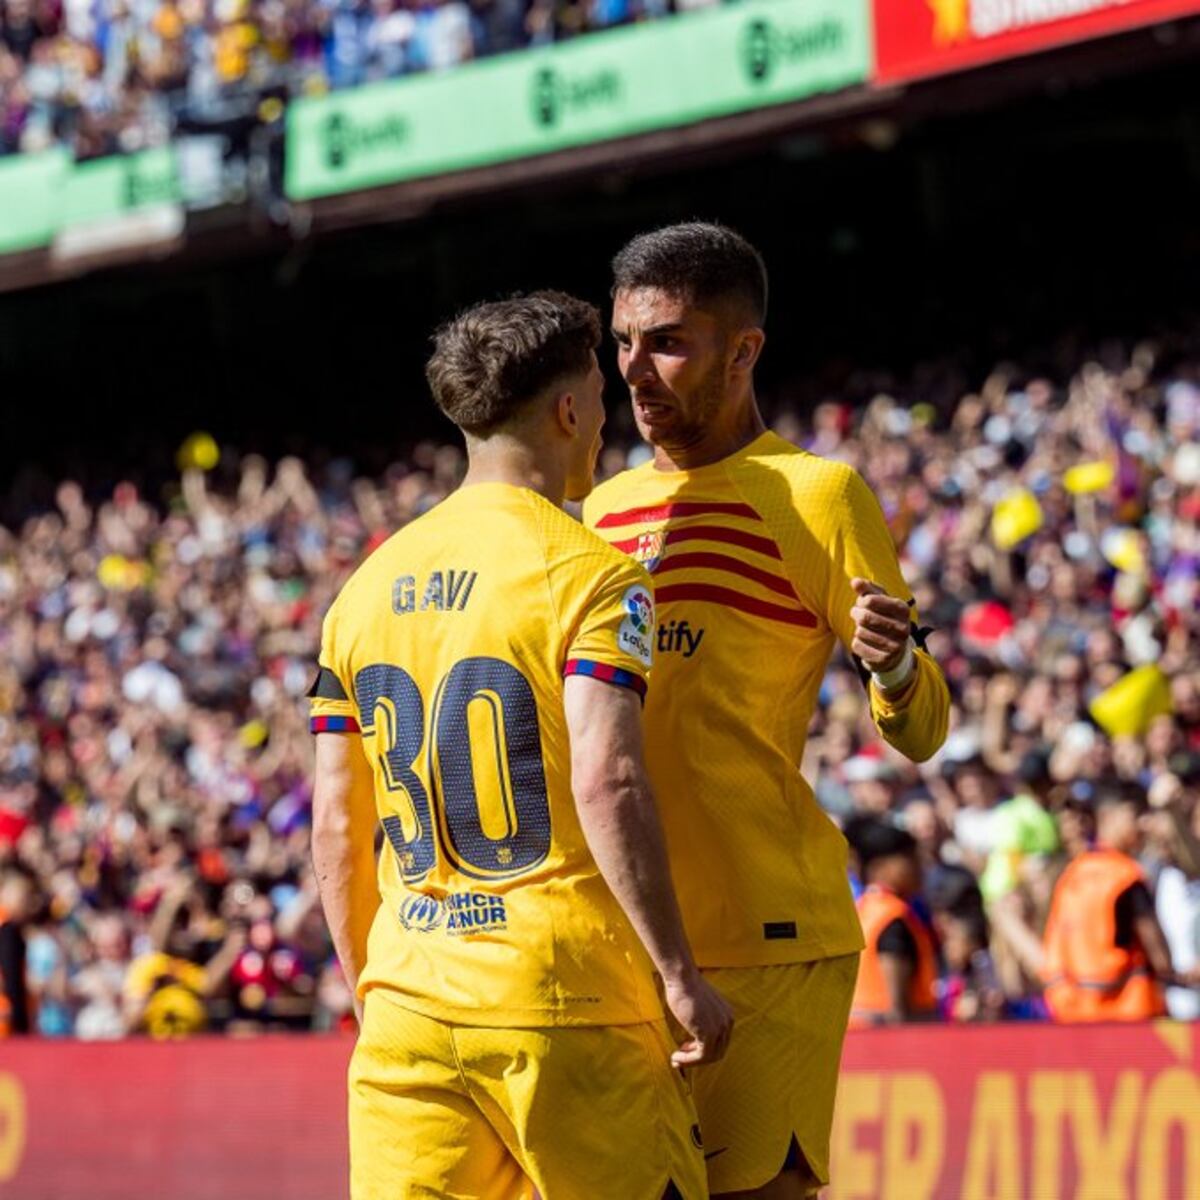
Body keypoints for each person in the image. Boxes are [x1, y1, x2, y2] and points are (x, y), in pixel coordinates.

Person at [309, 291, 732, 1200]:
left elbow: (339, 835)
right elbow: (609, 780)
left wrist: (376, 990)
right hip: (566, 1006)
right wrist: (679, 974)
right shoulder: (590, 575)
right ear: (571, 410)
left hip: (410, 1007)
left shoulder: (363, 588)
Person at [584, 223, 951, 1199]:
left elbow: (924, 730)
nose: (635, 369)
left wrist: (899, 666)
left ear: (743, 350)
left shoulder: (817, 493)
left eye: (666, 340)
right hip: (626, 942)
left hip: (768, 938)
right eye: (623, 342)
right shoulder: (598, 509)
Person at [1041, 786, 1175, 1022]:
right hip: (1131, 1016)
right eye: (1136, 815)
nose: (1143, 824)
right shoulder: (1125, 876)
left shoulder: (1071, 875)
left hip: (1075, 1016)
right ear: (1109, 816)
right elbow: (1160, 957)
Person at [844, 819, 939, 1027]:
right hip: (884, 1045)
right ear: (881, 866)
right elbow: (897, 1009)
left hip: (855, 1041)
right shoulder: (892, 919)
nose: (920, 869)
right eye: (911, 859)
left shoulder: (862, 908)